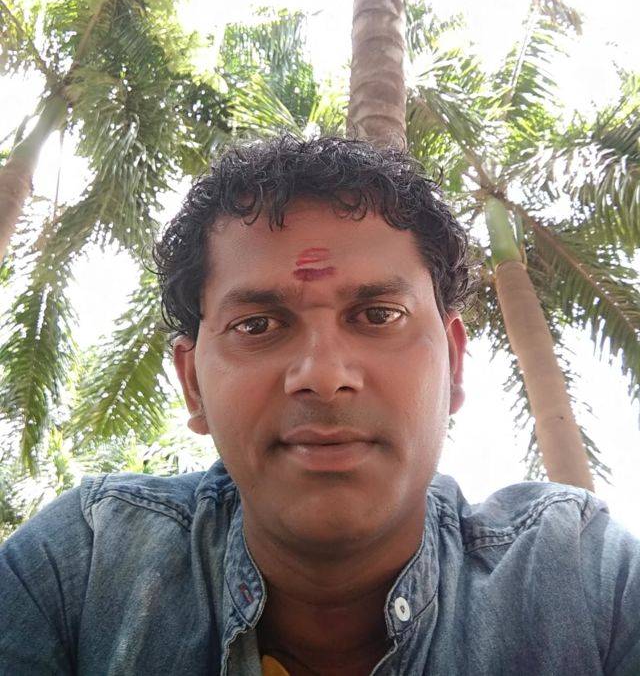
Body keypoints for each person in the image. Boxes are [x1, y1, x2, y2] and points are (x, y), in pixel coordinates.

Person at [1, 135, 639, 676]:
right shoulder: (80, 570)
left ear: (453, 363)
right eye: (257, 325)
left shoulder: (587, 581)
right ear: (193, 383)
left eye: (378, 315)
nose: (324, 376)